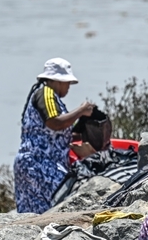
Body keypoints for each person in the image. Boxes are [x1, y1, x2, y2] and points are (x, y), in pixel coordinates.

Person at [13, 58, 95, 214]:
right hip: (38, 164)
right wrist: (80, 110)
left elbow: (55, 133)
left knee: (35, 214)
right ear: (57, 81)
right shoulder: (46, 93)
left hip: (35, 164)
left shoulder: (50, 97)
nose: (69, 87)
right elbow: (54, 123)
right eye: (67, 83)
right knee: (57, 206)